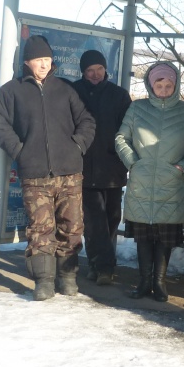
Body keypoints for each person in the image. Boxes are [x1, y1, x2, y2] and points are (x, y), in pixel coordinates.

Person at [0, 35, 96, 300]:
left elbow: (87, 121)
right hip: (35, 173)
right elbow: (0, 125)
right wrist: (20, 151)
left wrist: (77, 146)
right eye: (39, 60)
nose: (44, 65)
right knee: (40, 230)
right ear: (27, 62)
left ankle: (68, 277)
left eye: (48, 60)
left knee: (72, 227)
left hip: (69, 172)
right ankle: (44, 282)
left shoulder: (65, 89)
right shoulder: (11, 91)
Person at [115, 62, 184, 301]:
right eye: (159, 84)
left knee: (164, 236)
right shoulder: (137, 108)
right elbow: (121, 138)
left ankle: (160, 283)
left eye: (169, 85)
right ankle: (143, 283)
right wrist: (132, 162)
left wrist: (182, 168)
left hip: (171, 183)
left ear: (176, 85)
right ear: (150, 86)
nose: (164, 89)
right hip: (141, 181)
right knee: (144, 234)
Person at [71, 50, 131, 285]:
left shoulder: (119, 95)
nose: (95, 74)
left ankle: (97, 263)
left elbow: (127, 131)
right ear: (83, 72)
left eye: (99, 69)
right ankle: (105, 267)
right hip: (83, 167)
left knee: (111, 218)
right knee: (93, 219)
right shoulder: (75, 92)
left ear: (106, 70)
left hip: (112, 167)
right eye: (90, 70)